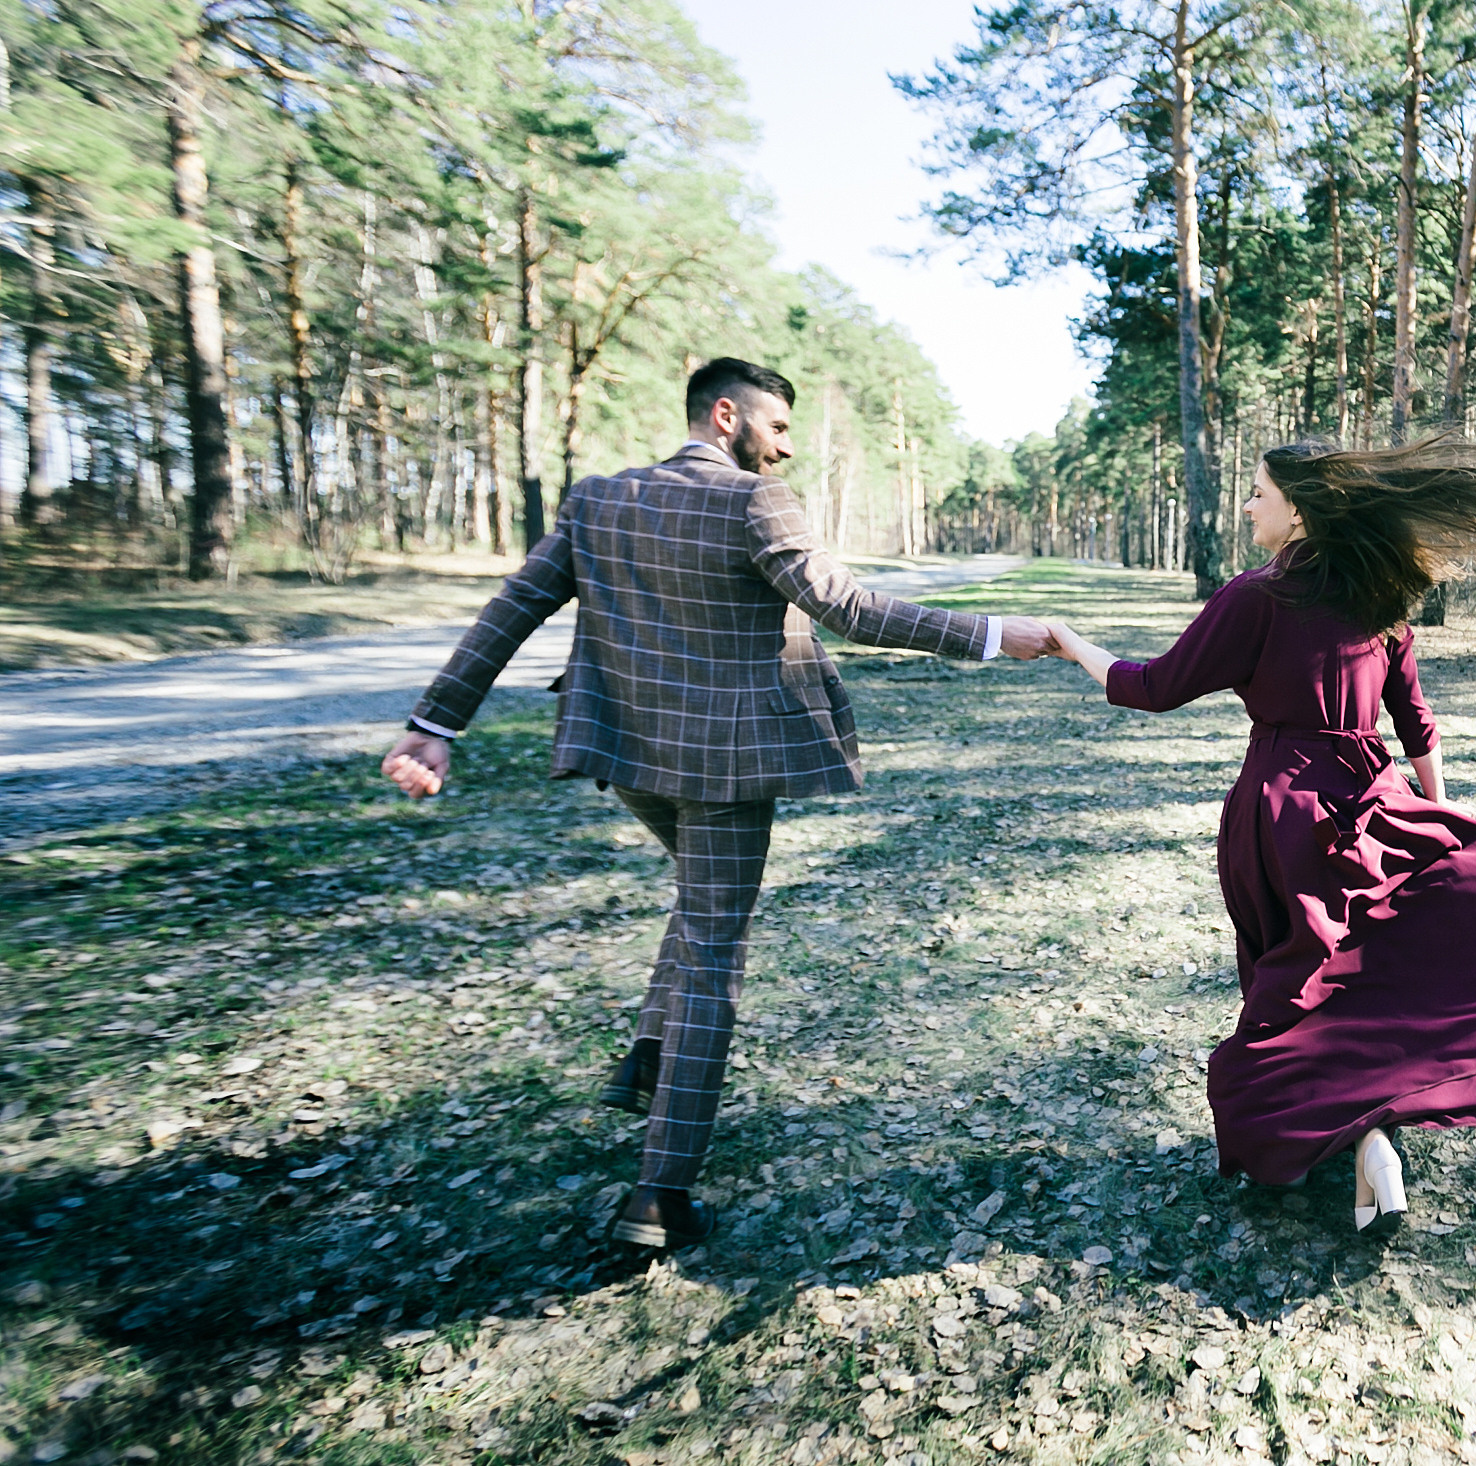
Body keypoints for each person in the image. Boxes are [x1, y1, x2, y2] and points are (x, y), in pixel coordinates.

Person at [381, 357, 1055, 1250]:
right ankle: (659, 1194)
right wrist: (990, 636)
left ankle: (652, 1056)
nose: (784, 448)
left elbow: (510, 611)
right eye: (776, 428)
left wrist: (436, 724)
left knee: (699, 908)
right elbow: (841, 604)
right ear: (726, 415)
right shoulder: (749, 501)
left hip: (629, 758)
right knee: (712, 947)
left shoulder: (596, 500)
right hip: (728, 768)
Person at [1043, 432, 1476, 1234]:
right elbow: (1416, 726)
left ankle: (1339, 1137)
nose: (1248, 504)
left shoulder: (1257, 597)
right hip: (1371, 797)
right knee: (1352, 973)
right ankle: (1369, 1142)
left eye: (1259, 491)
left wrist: (1065, 638)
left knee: (1291, 976)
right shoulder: (1381, 600)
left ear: (1300, 510)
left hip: (1279, 807)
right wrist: (1446, 824)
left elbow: (1148, 689)